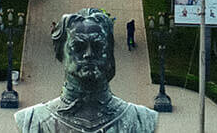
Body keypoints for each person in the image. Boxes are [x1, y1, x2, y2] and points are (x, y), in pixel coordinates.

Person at [15, 9, 159, 133]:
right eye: (78, 47)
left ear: (109, 53)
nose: (88, 54)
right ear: (60, 54)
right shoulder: (33, 120)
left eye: (97, 46)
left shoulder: (141, 119)